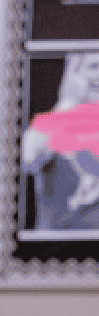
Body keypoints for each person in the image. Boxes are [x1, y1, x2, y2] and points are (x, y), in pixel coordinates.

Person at [22, 52, 99, 231]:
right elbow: (26, 159)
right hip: (54, 249)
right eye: (94, 67)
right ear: (74, 72)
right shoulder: (54, 123)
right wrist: (67, 103)